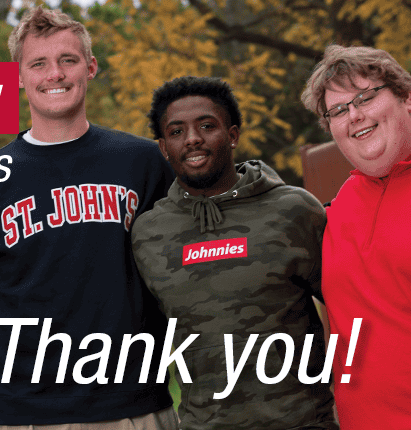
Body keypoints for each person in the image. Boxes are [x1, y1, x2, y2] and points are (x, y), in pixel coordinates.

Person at [0, 7, 177, 430]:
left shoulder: (142, 162)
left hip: (132, 409)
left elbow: (183, 275)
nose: (55, 74)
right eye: (39, 63)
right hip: (22, 415)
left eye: (68, 60)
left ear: (90, 67)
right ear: (18, 76)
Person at [132, 76, 338, 429]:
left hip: (303, 422)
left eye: (207, 126)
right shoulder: (148, 234)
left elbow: (351, 307)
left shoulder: (294, 210)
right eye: (177, 131)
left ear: (232, 134)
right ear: (164, 148)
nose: (193, 138)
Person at [301, 45, 411, 429]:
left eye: (366, 97)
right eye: (339, 110)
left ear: (406, 97)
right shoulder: (335, 209)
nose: (355, 115)